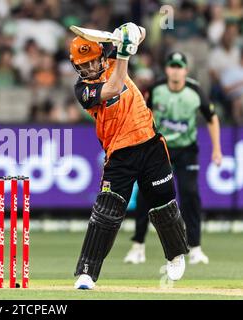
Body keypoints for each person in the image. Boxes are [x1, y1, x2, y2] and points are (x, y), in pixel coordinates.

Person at [71, 23, 189, 290]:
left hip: (149, 143)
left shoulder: (113, 56)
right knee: (106, 212)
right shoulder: (83, 90)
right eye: (83, 66)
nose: (89, 69)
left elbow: (142, 33)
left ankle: (175, 254)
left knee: (163, 204)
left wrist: (130, 32)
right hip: (119, 154)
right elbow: (113, 88)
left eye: (92, 63)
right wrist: (124, 53)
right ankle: (87, 273)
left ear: (101, 56)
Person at [124, 52, 222, 265]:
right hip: (159, 149)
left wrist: (217, 150)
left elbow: (212, 118)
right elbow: (139, 114)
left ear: (186, 70)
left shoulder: (195, 91)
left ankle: (195, 248)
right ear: (167, 69)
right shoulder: (156, 90)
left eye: (179, 67)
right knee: (146, 195)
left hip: (187, 150)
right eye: (172, 66)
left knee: (190, 194)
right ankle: (138, 246)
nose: (176, 70)